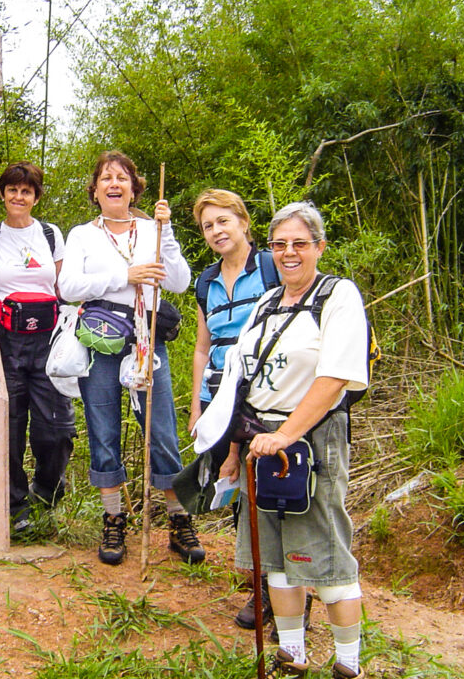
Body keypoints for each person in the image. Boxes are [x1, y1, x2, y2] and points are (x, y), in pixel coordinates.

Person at [194, 200, 369, 678]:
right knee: (273, 557)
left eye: (300, 244)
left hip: (312, 439)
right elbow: (238, 382)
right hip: (259, 440)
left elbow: (334, 377)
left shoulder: (339, 296)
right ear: (271, 249)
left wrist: (288, 435)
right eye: (280, 244)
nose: (289, 253)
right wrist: (233, 451)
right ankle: (291, 653)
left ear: (319, 247)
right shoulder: (267, 303)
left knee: (326, 547)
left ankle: (348, 661)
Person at [58, 149, 204, 566]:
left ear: (135, 187)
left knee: (162, 431)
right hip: (100, 341)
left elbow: (177, 281)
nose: (114, 184)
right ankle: (114, 519)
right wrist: (125, 276)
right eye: (106, 178)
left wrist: (167, 229)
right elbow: (68, 286)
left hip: (147, 339)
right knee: (102, 429)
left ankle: (179, 521)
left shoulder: (152, 229)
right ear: (96, 190)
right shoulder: (83, 234)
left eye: (122, 177)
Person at [188, 189, 285, 632]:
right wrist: (196, 406)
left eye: (223, 221)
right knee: (236, 491)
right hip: (218, 397)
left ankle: (283, 589)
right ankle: (261, 582)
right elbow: (203, 345)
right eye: (209, 226)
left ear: (244, 222)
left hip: (264, 395)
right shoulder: (205, 281)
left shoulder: (270, 268)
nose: (217, 231)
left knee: (270, 490)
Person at [0, 161, 75, 534]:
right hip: (5, 342)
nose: (19, 196)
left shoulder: (51, 233)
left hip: (49, 340)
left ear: (36, 196)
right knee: (8, 427)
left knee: (55, 428)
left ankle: (46, 493)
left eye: (26, 191)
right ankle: (14, 504)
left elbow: (64, 285)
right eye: (12, 190)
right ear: (2, 194)